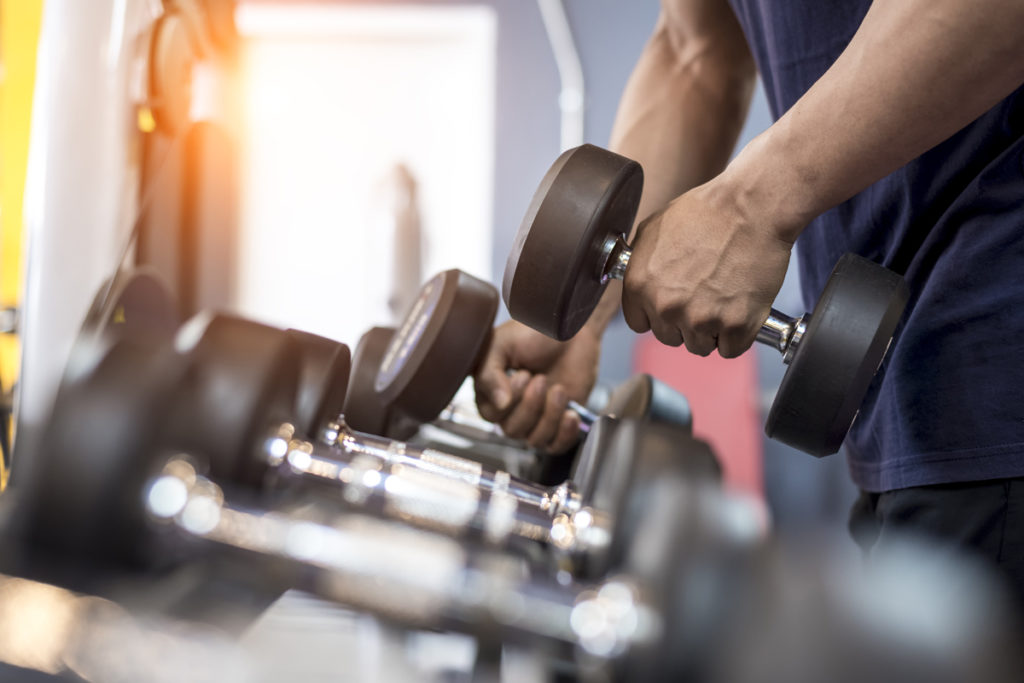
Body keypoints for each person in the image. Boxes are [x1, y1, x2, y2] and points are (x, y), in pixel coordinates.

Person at [474, 0, 1024, 602]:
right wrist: (589, 311)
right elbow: (695, 54)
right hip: (900, 409)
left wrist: (749, 206)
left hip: (996, 352)